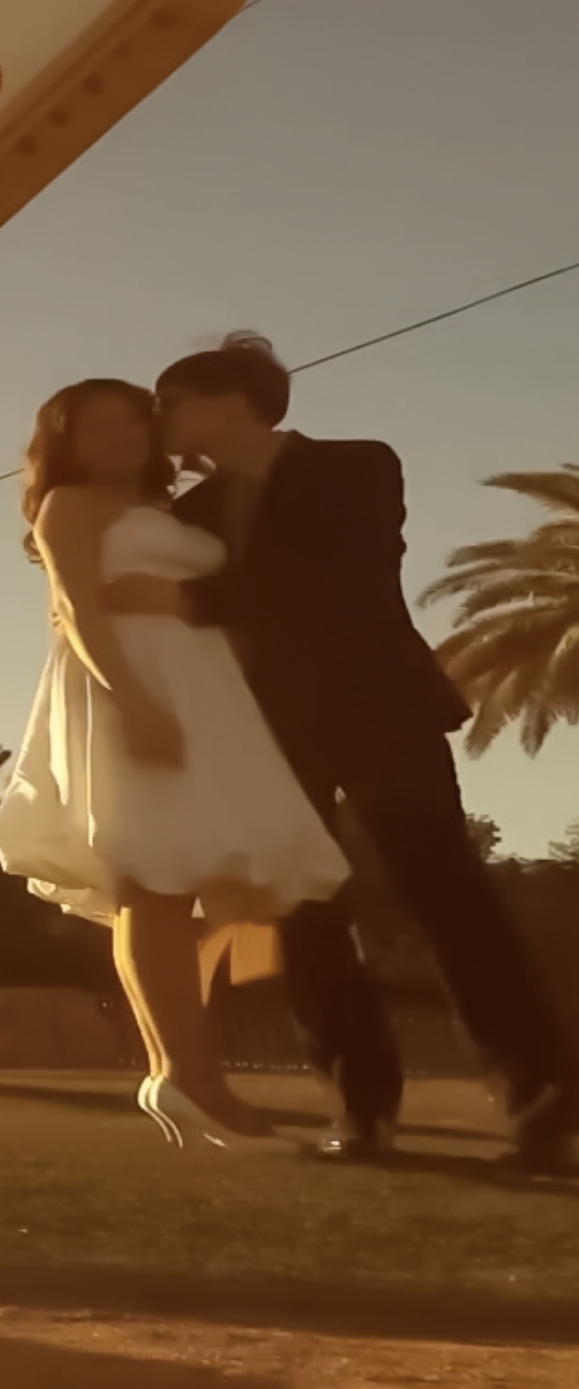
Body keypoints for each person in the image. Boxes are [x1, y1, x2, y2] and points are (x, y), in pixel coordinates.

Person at [114, 335, 574, 1173]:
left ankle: (543, 1104)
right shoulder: (192, 515)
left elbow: (345, 574)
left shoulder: (360, 465)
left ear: (228, 398)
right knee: (303, 917)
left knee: (448, 896)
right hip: (264, 729)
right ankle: (362, 1110)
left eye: (170, 400)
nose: (160, 420)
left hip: (377, 710)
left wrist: (215, 602)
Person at [0, 377, 348, 1150]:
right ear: (66, 443)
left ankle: (184, 1073)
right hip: (133, 685)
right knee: (149, 880)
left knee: (193, 881)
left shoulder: (174, 508)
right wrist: (134, 699)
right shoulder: (71, 506)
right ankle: (186, 1076)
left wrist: (192, 613)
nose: (119, 437)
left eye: (131, 422)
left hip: (207, 689)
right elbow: (78, 605)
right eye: (96, 427)